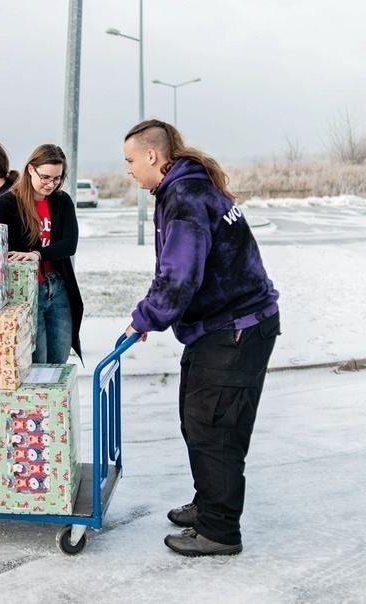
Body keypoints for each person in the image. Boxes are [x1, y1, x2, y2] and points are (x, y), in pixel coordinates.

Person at [122, 119, 281, 557]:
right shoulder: (185, 187)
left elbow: (180, 276)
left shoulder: (186, 195)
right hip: (219, 325)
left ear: (152, 156)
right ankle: (209, 503)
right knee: (197, 420)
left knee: (216, 430)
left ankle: (220, 530)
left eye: (131, 161)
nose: (130, 170)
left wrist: (143, 319)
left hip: (236, 327)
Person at [0, 143, 83, 364]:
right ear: (30, 169)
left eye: (57, 178)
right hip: (28, 292)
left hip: (58, 288)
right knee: (37, 362)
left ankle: (54, 400)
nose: (51, 184)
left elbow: (69, 244)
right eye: (46, 177)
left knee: (58, 361)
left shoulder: (61, 200)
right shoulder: (13, 200)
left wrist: (37, 254)